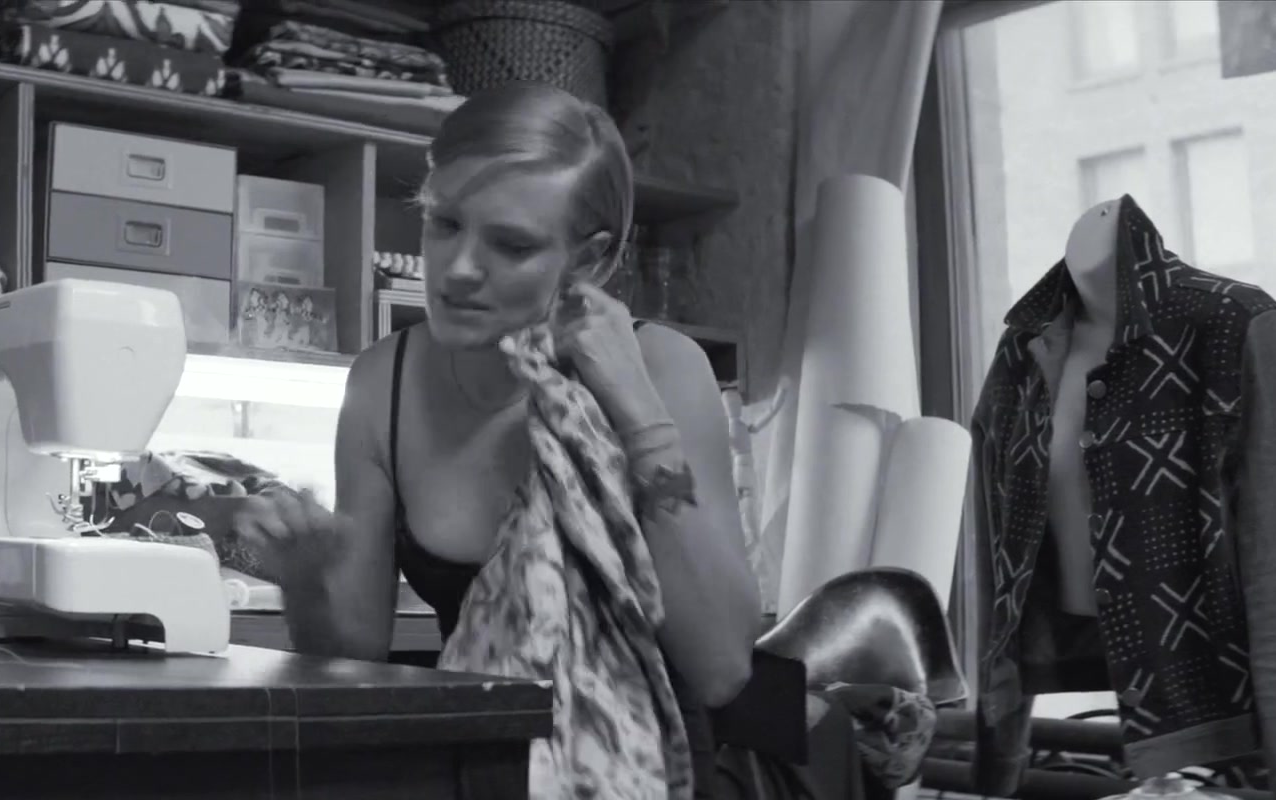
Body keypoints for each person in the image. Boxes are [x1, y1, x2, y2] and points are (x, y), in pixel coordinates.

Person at [227, 83, 865, 798]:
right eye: (444, 223)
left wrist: (637, 412)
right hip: (484, 759)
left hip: (666, 766)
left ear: (589, 261)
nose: (458, 268)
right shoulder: (383, 383)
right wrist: (305, 576)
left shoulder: (662, 368)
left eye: (511, 245)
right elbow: (355, 656)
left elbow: (721, 666)